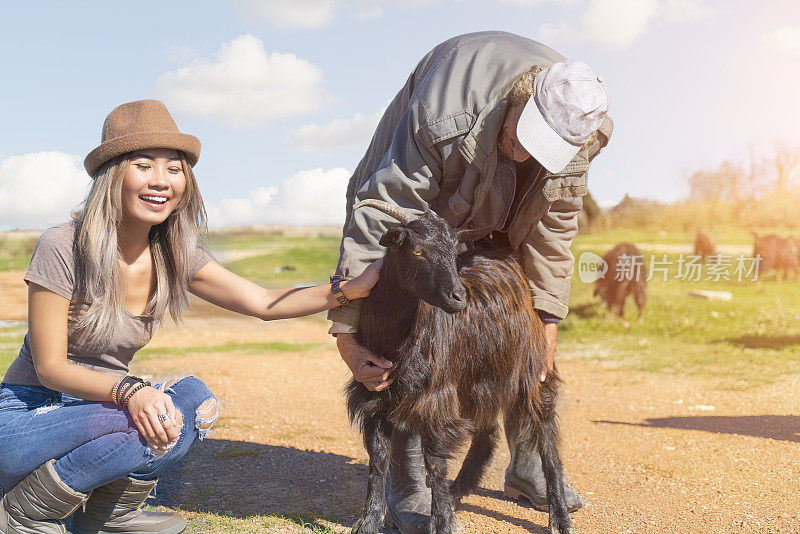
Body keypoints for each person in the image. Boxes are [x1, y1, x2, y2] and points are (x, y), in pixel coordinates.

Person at [0, 100, 382, 534]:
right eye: (143, 165)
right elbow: (51, 368)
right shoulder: (62, 246)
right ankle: (24, 514)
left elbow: (263, 302)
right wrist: (132, 391)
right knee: (140, 417)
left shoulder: (174, 253)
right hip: (28, 418)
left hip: (101, 408)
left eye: (174, 168)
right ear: (112, 175)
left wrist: (352, 288)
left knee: (194, 402)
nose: (161, 181)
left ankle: (108, 517)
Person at [328, 32, 612, 532]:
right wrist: (349, 332)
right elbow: (385, 209)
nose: (525, 155)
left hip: (501, 221)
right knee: (419, 340)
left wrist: (545, 318)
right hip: (426, 208)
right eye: (522, 139)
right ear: (521, 99)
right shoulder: (443, 115)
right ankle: (409, 480)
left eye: (542, 150)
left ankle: (526, 465)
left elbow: (554, 230)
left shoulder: (583, 132)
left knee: (519, 327)